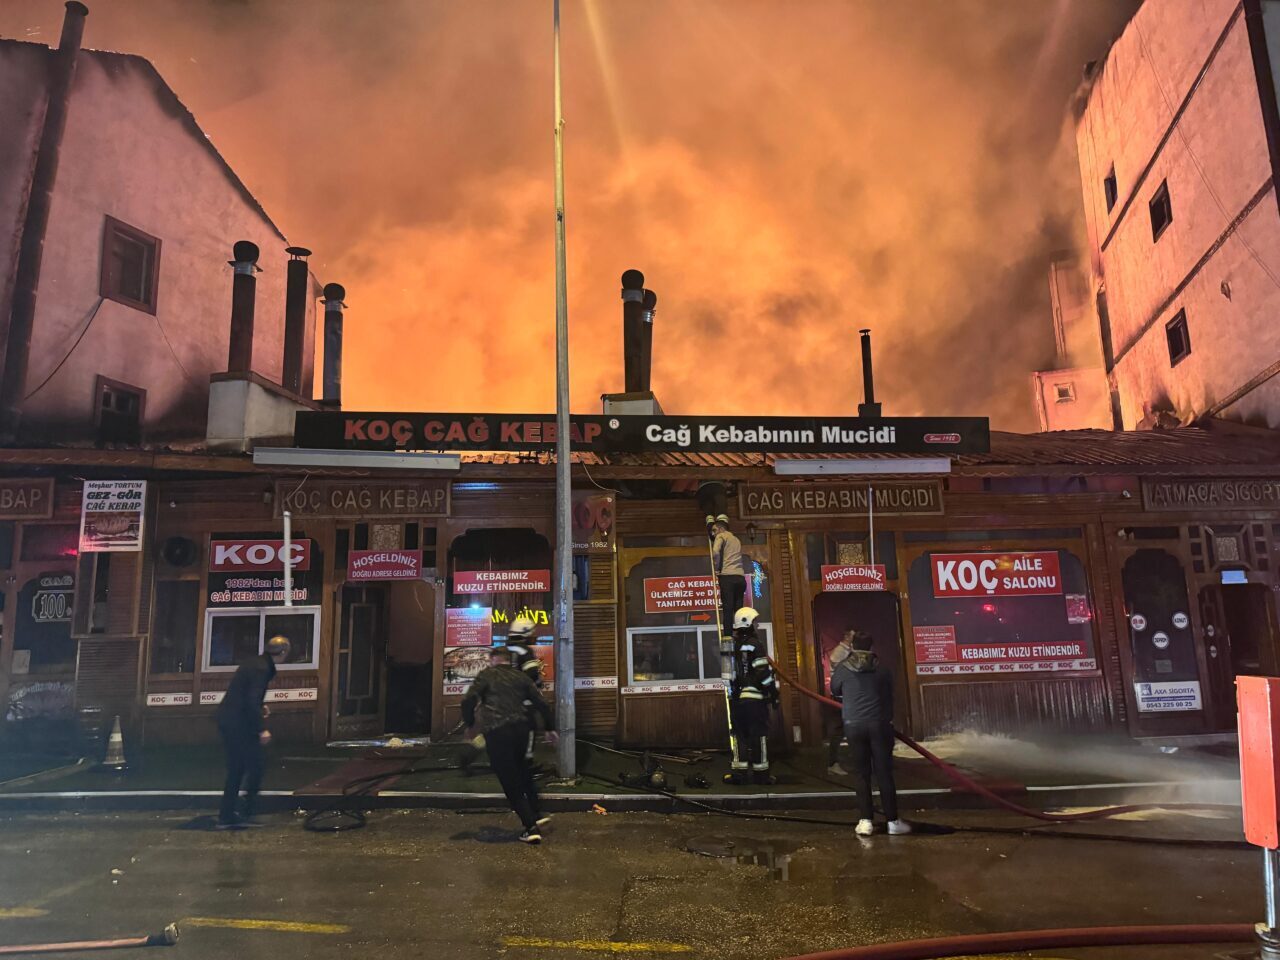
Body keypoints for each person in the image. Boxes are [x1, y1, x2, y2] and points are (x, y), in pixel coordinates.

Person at [462, 645, 557, 844]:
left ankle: (530, 827)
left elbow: (469, 699)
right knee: (523, 770)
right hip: (521, 730)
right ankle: (537, 813)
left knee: (509, 780)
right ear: (509, 660)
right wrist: (549, 727)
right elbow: (541, 703)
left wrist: (470, 724)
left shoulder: (487, 675)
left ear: (494, 659)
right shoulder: (520, 676)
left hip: (498, 732)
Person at [829, 630, 910, 837]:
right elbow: (890, 693)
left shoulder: (843, 669)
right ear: (872, 648)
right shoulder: (882, 669)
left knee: (862, 774)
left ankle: (865, 821)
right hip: (879, 724)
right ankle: (892, 821)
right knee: (884, 773)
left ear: (853, 646)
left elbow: (835, 690)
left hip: (854, 725)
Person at [215, 635, 291, 829]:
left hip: (231, 721)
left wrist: (260, 705)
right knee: (255, 765)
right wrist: (261, 729)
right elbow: (250, 699)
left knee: (237, 768)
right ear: (283, 653)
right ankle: (244, 810)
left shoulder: (255, 662)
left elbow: (247, 695)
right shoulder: (262, 668)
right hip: (239, 724)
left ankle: (229, 813)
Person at [723, 606, 778, 786]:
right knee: (758, 736)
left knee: (739, 736)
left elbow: (730, 674)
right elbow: (762, 671)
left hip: (737, 700)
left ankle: (739, 775)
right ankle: (761, 776)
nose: (756, 624)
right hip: (754, 700)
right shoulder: (755, 644)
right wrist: (773, 692)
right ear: (747, 623)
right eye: (754, 621)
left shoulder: (732, 645)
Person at [708, 515, 746, 642]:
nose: (713, 534)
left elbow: (715, 552)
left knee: (728, 608)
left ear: (720, 529)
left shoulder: (721, 536)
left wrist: (716, 567)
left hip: (727, 577)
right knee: (739, 608)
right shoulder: (736, 539)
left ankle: (728, 636)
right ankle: (743, 633)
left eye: (714, 530)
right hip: (740, 577)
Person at [825, 636, 854, 776]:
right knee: (839, 731)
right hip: (842, 698)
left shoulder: (848, 652)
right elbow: (838, 677)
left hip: (848, 696)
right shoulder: (839, 652)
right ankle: (833, 763)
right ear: (848, 635)